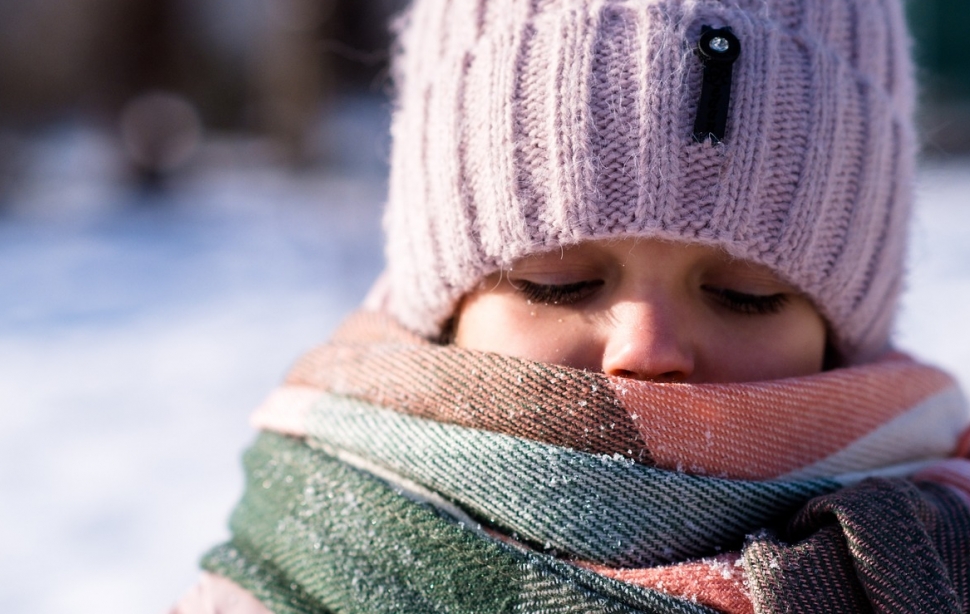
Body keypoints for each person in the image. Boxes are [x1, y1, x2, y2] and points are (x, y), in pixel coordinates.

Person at [172, 0, 970, 612]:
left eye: (746, 296)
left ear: (842, 335)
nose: (647, 347)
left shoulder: (942, 556)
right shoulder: (284, 582)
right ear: (442, 312)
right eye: (556, 282)